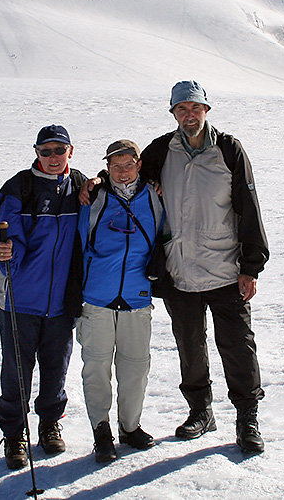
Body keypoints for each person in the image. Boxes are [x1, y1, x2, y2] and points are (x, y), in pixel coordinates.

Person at [139, 81, 269, 454]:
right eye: (181, 109)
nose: (189, 115)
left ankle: (247, 418)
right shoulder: (162, 150)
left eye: (195, 108)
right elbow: (127, 174)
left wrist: (251, 266)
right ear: (173, 114)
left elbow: (249, 206)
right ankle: (201, 412)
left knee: (238, 345)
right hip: (179, 269)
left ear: (207, 110)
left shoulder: (228, 149)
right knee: (189, 346)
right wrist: (98, 182)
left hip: (226, 268)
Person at [0, 124, 86, 470]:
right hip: (19, 299)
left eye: (59, 151)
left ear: (70, 152)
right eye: (45, 151)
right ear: (36, 153)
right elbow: (7, 234)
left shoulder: (79, 186)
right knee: (16, 370)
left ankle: (48, 423)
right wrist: (6, 253)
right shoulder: (20, 188)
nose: (53, 158)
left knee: (56, 367)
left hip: (61, 301)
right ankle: (15, 433)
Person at [76, 140, 165, 463]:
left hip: (137, 297)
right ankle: (101, 429)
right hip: (96, 297)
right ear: (107, 167)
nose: (123, 172)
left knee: (135, 367)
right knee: (96, 367)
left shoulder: (155, 197)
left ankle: (130, 426)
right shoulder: (94, 197)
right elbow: (76, 242)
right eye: (116, 166)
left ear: (139, 165)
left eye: (129, 165)